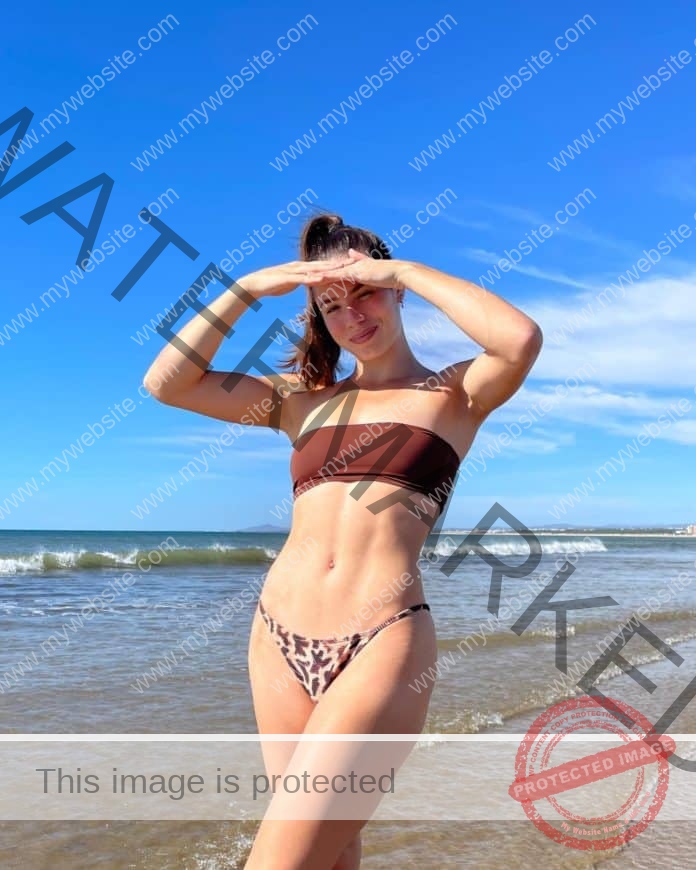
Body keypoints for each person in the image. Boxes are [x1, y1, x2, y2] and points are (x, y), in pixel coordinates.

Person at [142, 212, 543, 868]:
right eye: (332, 304)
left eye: (366, 292)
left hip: (381, 642)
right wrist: (245, 289)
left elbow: (520, 338)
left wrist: (400, 268)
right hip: (276, 639)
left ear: (395, 291)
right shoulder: (297, 401)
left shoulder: (455, 393)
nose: (351, 313)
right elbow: (167, 383)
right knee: (330, 853)